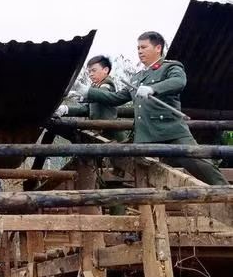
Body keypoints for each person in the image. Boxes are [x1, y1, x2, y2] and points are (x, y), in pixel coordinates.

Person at [79, 31, 228, 186]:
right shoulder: (136, 78)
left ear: (158, 48)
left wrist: (154, 88)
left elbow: (179, 81)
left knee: (198, 163)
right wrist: (88, 92)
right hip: (145, 136)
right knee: (129, 160)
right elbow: (116, 98)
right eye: (138, 48)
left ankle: (226, 192)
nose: (140, 51)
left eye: (144, 47)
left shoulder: (170, 67)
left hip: (171, 130)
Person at [56, 55, 127, 142]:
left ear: (105, 70)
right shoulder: (94, 86)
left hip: (110, 134)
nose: (90, 74)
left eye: (94, 70)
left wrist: (83, 95)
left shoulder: (107, 84)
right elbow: (87, 109)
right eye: (89, 72)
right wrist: (66, 109)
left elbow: (101, 95)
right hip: (98, 132)